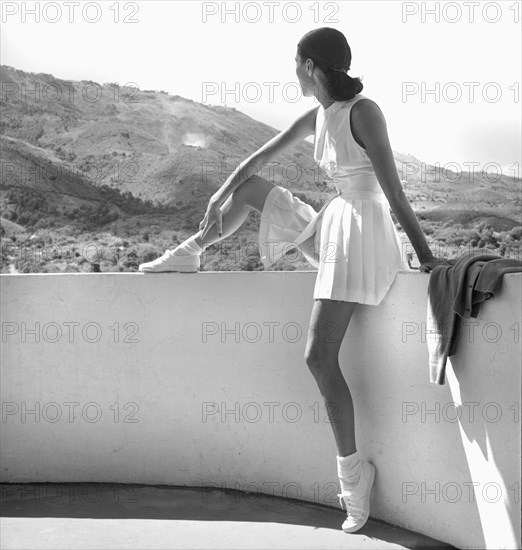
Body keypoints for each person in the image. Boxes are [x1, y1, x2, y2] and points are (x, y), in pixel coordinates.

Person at [139, 27, 451, 533]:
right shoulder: (317, 115)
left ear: (310, 67)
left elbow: (393, 190)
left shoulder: (364, 112)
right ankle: (190, 252)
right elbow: (255, 161)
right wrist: (221, 193)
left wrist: (427, 257)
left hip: (362, 231)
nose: (293, 71)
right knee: (254, 189)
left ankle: (354, 479)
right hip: (334, 224)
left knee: (316, 355)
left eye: (295, 62)